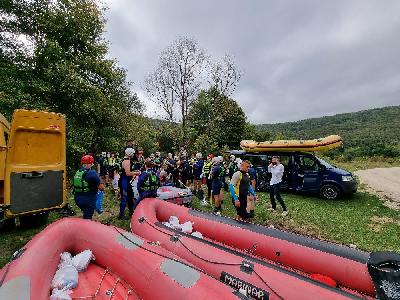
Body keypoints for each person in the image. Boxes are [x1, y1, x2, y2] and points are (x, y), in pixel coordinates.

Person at [73, 155, 104, 219]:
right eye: (92, 163)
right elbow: (101, 188)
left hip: (77, 199)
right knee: (87, 218)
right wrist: (99, 180)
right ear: (90, 164)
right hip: (88, 200)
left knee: (85, 212)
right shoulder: (92, 173)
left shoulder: (78, 172)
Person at [118, 148, 139, 220]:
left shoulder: (126, 160)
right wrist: (137, 173)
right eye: (133, 153)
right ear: (129, 153)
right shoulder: (126, 161)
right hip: (124, 182)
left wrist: (134, 171)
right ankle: (121, 215)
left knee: (130, 196)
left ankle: (131, 212)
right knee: (124, 197)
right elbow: (128, 173)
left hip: (126, 181)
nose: (133, 155)